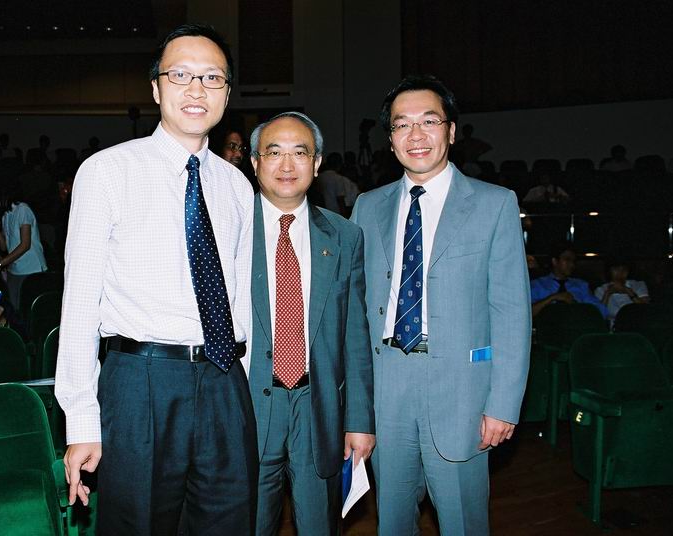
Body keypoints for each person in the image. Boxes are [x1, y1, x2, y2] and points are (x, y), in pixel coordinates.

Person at [55, 23, 257, 535]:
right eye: (181, 75)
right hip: (140, 382)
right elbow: (79, 303)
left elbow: (240, 300)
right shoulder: (107, 171)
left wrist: (243, 384)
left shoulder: (236, 185)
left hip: (223, 380)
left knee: (229, 522)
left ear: (227, 93)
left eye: (212, 78)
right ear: (155, 88)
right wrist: (81, 420)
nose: (196, 89)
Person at [350, 75, 531, 535]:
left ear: (451, 130)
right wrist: (354, 407)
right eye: (402, 124)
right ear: (390, 139)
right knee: (391, 520)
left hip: (463, 390)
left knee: (463, 522)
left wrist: (503, 404)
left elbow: (512, 312)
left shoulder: (494, 204)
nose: (416, 134)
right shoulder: (368, 207)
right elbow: (354, 309)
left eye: (429, 121)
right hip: (386, 384)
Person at [247, 112, 375, 535]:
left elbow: (355, 336)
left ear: (317, 163)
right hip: (248, 408)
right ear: (255, 162)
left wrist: (359, 421)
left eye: (299, 153)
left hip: (317, 407)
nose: (287, 165)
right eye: (274, 153)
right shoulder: (231, 230)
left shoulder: (344, 236)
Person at [0, 183, 48, 310]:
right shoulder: (6, 215)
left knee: (27, 308)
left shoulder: (23, 210)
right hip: (14, 268)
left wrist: (0, 263)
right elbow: (4, 246)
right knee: (14, 307)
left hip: (31, 268)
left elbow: (25, 245)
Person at [530, 241, 608, 318]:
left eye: (573, 261)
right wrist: (552, 298)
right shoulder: (537, 285)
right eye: (567, 260)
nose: (571, 265)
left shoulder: (581, 286)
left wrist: (578, 306)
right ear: (555, 261)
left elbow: (601, 312)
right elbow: (528, 313)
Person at [594, 258, 650, 325]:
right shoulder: (601, 290)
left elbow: (644, 309)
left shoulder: (638, 285)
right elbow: (599, 315)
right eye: (616, 269)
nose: (620, 273)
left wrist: (629, 292)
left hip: (637, 324)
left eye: (624, 270)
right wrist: (607, 294)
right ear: (609, 271)